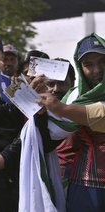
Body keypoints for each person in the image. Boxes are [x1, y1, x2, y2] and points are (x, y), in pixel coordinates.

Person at [44, 33, 105, 211]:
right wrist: (26, 96)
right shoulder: (74, 96)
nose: (97, 70)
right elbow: (51, 132)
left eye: (102, 61)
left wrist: (61, 109)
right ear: (80, 68)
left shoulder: (64, 105)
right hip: (86, 185)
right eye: (88, 64)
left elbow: (97, 114)